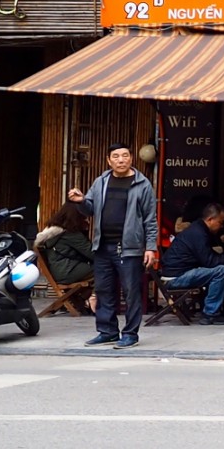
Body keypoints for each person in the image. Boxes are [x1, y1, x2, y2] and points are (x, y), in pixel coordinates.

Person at [68, 144, 158, 349]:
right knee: (104, 290)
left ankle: (130, 334)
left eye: (125, 155)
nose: (121, 160)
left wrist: (150, 247)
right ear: (109, 160)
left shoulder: (142, 184)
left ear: (131, 158)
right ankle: (107, 331)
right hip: (102, 246)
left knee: (131, 291)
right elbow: (89, 209)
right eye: (116, 156)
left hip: (129, 248)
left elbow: (150, 220)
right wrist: (81, 201)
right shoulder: (101, 182)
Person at [159, 202, 224, 327]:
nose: (221, 226)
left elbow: (209, 258)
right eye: (220, 222)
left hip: (180, 273)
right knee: (220, 271)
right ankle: (210, 314)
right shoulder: (198, 233)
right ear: (210, 219)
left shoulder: (199, 229)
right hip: (176, 277)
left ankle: (214, 310)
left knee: (218, 269)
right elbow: (210, 261)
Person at [34, 201, 95, 291]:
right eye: (84, 216)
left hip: (60, 271)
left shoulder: (56, 230)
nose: (86, 219)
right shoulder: (70, 233)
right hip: (67, 271)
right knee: (105, 267)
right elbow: (92, 253)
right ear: (77, 216)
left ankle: (91, 299)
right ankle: (95, 298)